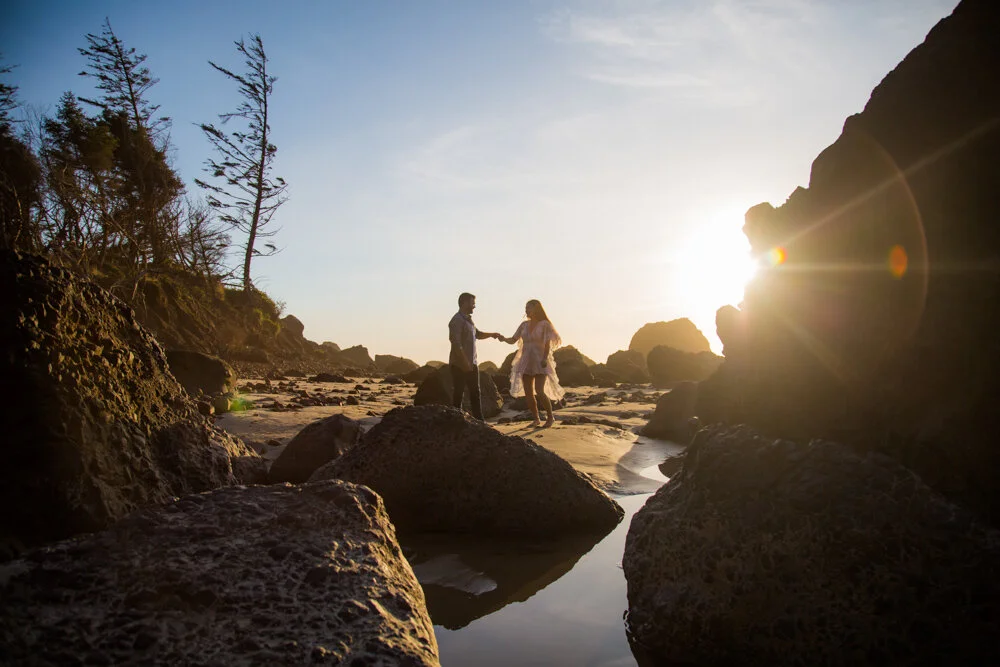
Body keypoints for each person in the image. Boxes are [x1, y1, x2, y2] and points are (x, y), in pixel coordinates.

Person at [500, 299, 565, 427]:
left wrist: (545, 358)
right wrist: (502, 338)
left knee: (539, 391)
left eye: (528, 307)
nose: (526, 310)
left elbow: (547, 344)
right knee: (528, 393)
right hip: (525, 361)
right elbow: (513, 340)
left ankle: (550, 417)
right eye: (526, 307)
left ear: (536, 309)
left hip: (540, 361)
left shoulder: (544, 324)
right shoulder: (524, 325)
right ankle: (536, 419)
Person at [449, 292, 503, 420]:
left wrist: (492, 334)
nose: (474, 306)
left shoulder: (468, 320)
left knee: (475, 393)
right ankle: (457, 420)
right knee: (459, 393)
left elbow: (477, 334)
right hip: (459, 364)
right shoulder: (456, 320)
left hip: (472, 363)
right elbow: (455, 343)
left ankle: (480, 421)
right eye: (473, 303)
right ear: (464, 303)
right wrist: (465, 362)